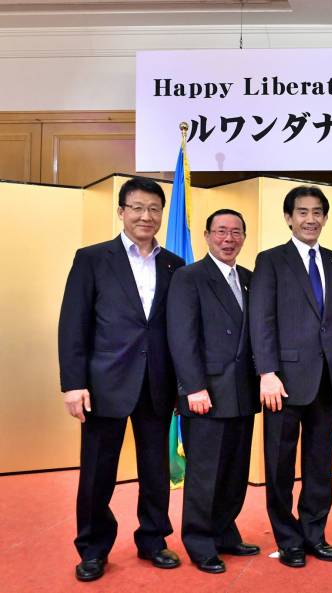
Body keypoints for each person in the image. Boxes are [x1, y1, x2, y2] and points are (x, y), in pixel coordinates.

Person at [58, 177, 185, 581]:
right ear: (121, 211)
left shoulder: (175, 265)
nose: (146, 216)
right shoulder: (93, 258)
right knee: (97, 472)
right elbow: (73, 325)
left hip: (158, 384)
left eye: (154, 209)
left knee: (155, 470)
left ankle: (153, 540)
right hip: (104, 384)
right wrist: (73, 383)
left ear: (162, 215)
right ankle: (92, 548)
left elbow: (180, 331)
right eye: (137, 207)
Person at [249, 186, 332, 568]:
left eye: (317, 212)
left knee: (318, 464)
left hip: (329, 379)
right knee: (279, 466)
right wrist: (267, 372)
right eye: (302, 212)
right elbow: (261, 319)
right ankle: (288, 538)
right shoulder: (270, 260)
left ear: (325, 218)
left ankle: (315, 534)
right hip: (283, 382)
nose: (310, 219)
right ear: (288, 218)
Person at [166, 209, 260, 574]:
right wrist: (193, 387)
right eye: (221, 231)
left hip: (242, 392)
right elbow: (181, 336)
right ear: (206, 235)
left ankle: (225, 532)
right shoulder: (189, 277)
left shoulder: (252, 279)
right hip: (205, 393)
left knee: (235, 471)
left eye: (236, 232)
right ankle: (200, 541)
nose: (228, 238)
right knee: (205, 473)